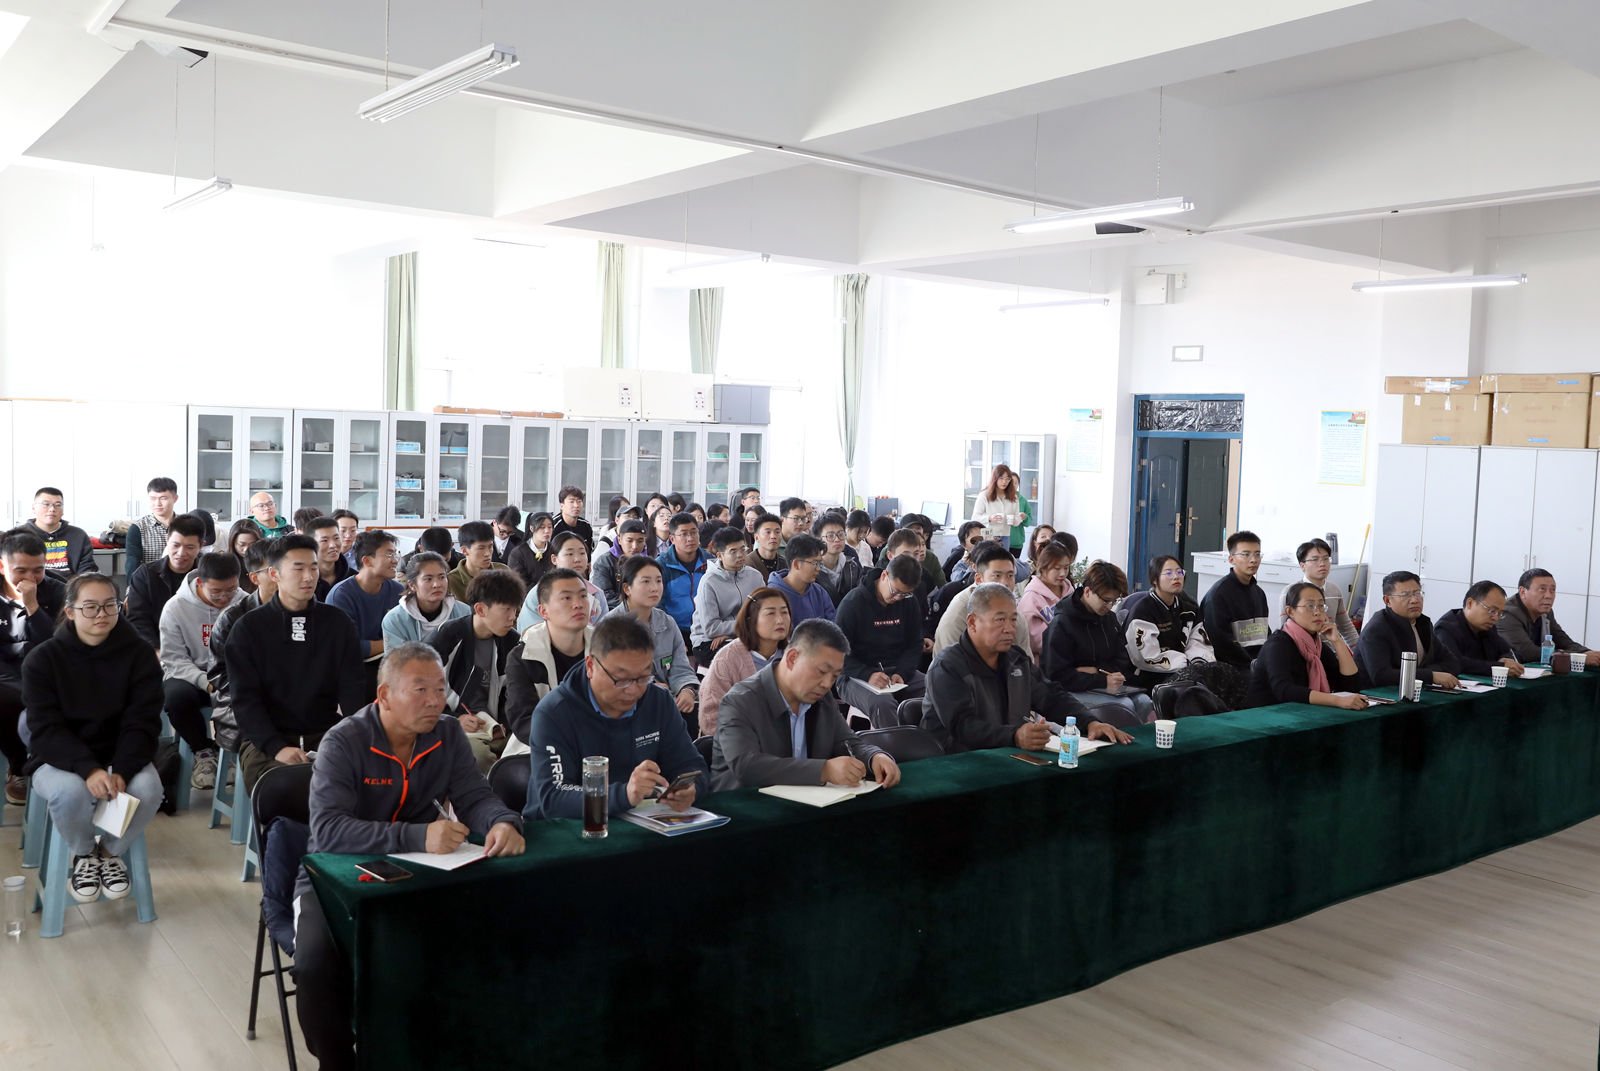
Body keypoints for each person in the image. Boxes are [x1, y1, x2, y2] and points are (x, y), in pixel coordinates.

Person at [294, 642, 524, 1071]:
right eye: (420, 690)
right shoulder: (343, 742)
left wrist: (502, 822)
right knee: (315, 966)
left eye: (440, 688)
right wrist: (418, 835)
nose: (435, 701)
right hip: (335, 879)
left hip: (418, 873)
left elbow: (475, 796)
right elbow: (328, 832)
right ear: (384, 695)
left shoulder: (448, 734)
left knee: (488, 933)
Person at [23, 573, 164, 906]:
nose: (101, 614)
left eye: (109, 605)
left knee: (147, 789)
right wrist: (89, 768)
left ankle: (110, 853)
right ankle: (84, 854)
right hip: (59, 758)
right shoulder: (43, 659)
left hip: (120, 754)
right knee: (70, 792)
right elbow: (46, 729)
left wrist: (123, 768)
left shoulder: (140, 654)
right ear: (70, 612)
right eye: (90, 607)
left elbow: (142, 721)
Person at [525, 614, 710, 820]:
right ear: (590, 666)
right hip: (565, 829)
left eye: (643, 678)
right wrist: (624, 795)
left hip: (642, 820)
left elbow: (692, 765)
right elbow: (554, 797)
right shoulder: (553, 713)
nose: (633, 690)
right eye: (621, 680)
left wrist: (691, 789)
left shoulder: (659, 702)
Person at [226, 534, 367, 794]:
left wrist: (358, 739)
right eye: (298, 568)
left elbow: (352, 689)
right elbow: (244, 700)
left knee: (361, 780)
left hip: (326, 733)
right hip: (266, 741)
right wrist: (277, 747)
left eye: (313, 568)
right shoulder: (248, 628)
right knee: (286, 788)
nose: (308, 577)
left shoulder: (337, 623)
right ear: (275, 574)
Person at [925, 582, 1132, 753]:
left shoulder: (1016, 659)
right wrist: (1014, 736)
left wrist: (1090, 723)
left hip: (1008, 754)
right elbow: (962, 726)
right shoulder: (948, 665)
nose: (1009, 629)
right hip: (956, 762)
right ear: (972, 622)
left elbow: (1051, 697)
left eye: (1014, 620)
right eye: (1000, 620)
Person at [711, 618, 900, 791]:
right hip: (743, 809)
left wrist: (874, 757)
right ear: (792, 658)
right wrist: (823, 771)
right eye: (821, 671)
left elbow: (846, 742)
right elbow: (747, 766)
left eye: (835, 676)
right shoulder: (739, 701)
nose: (827, 684)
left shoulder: (822, 699)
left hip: (803, 806)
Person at [158, 550, 245, 789]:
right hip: (189, 675)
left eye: (231, 590)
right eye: (216, 591)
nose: (224, 598)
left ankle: (235, 753)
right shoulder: (175, 607)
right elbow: (174, 659)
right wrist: (206, 682)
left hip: (230, 674)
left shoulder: (245, 603)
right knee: (177, 698)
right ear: (200, 582)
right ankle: (203, 751)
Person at [428, 570, 526, 773]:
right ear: (480, 609)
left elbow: (517, 694)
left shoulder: (513, 642)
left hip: (497, 727)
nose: (513, 617)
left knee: (530, 749)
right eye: (506, 609)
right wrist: (455, 719)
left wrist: (503, 724)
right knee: (478, 757)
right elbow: (424, 690)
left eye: (515, 609)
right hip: (452, 723)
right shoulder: (448, 636)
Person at [1039, 561, 1152, 726]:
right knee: (1124, 706)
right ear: (1087, 591)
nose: (1110, 606)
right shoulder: (1062, 624)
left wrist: (1096, 670)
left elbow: (1122, 660)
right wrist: (1102, 679)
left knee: (1144, 701)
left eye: (1114, 601)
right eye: (1106, 600)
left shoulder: (1109, 619)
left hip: (1100, 686)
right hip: (1068, 691)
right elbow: (1057, 676)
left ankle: (1128, 738)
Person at [1, 529, 67, 804]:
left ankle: (48, 765)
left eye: (38, 570)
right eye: (21, 571)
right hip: (6, 678)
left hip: (49, 672)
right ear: (2, 566)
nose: (31, 578)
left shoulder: (59, 590)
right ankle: (19, 768)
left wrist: (33, 607)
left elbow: (59, 645)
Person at [503, 569, 594, 757]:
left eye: (583, 596)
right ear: (543, 611)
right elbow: (523, 720)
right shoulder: (524, 657)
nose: (578, 604)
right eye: (566, 598)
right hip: (541, 747)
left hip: (599, 743)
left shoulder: (606, 649)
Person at [833, 554, 927, 727]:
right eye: (895, 591)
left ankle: (931, 740)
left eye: (905, 594)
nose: (898, 598)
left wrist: (903, 672)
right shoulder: (852, 604)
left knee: (936, 688)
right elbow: (837, 654)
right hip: (854, 675)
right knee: (882, 704)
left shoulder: (909, 602)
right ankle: (897, 744)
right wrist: (868, 675)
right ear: (884, 576)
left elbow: (915, 644)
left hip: (895, 672)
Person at [604, 556, 698, 723]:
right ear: (627, 588)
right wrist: (647, 688)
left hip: (668, 703)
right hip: (627, 708)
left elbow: (681, 668)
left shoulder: (667, 623)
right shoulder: (610, 627)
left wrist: (687, 690)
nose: (655, 588)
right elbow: (610, 678)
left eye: (659, 581)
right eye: (646, 582)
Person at [1248, 581, 1369, 709]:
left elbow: (1351, 687)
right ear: (1290, 611)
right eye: (1310, 606)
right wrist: (1337, 701)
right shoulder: (1278, 645)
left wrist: (1337, 641)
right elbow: (1283, 690)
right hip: (1264, 714)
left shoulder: (1316, 646)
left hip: (1299, 713)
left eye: (1321, 606)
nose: (1317, 612)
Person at [699, 587, 790, 737]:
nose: (780, 620)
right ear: (751, 619)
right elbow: (710, 719)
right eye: (771, 613)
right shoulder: (727, 659)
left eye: (784, 612)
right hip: (741, 743)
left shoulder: (794, 655)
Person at [328, 530, 404, 703]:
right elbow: (350, 649)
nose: (395, 560)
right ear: (367, 560)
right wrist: (393, 643)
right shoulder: (341, 595)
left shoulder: (398, 591)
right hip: (352, 671)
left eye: (395, 554)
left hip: (389, 665)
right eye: (389, 554)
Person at [1354, 571, 1462, 689]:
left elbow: (1453, 663)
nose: (1414, 600)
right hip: (1375, 695)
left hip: (1415, 691)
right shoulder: (1376, 630)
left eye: (1417, 593)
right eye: (1405, 595)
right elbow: (1381, 676)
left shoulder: (1423, 623)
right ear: (1388, 601)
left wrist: (1423, 673)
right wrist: (1430, 675)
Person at [1121, 555, 1215, 685]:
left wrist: (1197, 661)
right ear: (1154, 579)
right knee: (1194, 684)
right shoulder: (1143, 610)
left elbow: (1198, 642)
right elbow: (1146, 656)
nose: (1176, 577)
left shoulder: (1190, 609)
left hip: (1184, 670)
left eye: (1179, 572)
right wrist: (1187, 663)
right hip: (1148, 677)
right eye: (1169, 573)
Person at [931, 542, 1030, 657]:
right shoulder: (958, 616)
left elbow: (1026, 663)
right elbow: (950, 664)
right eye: (997, 576)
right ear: (979, 579)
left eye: (1010, 576)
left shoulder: (1017, 618)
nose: (1005, 583)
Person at [125, 513, 206, 651]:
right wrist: (156, 651)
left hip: (198, 650)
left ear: (201, 546)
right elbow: (138, 619)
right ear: (167, 539)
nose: (181, 553)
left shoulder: (207, 576)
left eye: (190, 547)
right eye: (176, 545)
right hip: (156, 648)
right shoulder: (145, 575)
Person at [691, 526, 767, 660]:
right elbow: (711, 629)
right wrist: (744, 627)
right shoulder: (709, 582)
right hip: (707, 641)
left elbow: (764, 612)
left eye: (743, 549)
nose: (740, 555)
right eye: (733, 551)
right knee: (742, 654)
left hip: (743, 635)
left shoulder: (755, 576)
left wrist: (734, 634)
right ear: (720, 555)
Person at [1498, 568, 1600, 666]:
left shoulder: (1545, 612)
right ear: (1523, 592)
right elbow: (1527, 652)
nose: (1549, 595)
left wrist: (1588, 653)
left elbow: (1563, 641)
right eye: (1542, 589)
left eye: (1552, 590)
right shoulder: (1506, 613)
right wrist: (1577, 657)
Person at [1201, 530, 1271, 667]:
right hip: (1233, 666)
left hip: (1259, 663)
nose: (1253, 560)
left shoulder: (1258, 593)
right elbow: (1222, 644)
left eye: (1257, 554)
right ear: (1232, 559)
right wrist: (1253, 665)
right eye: (1246, 554)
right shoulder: (1218, 595)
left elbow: (1265, 635)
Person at [516, 531, 606, 632]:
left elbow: (603, 634)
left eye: (582, 553)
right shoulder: (539, 593)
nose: (577, 559)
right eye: (569, 554)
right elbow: (529, 633)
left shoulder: (597, 594)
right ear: (554, 559)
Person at [1435, 581, 1525, 679]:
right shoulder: (1445, 628)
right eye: (1492, 611)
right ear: (1470, 603)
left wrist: (1506, 659)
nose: (1495, 618)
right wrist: (1498, 667)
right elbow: (1455, 662)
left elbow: (1512, 651)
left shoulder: (1488, 629)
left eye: (1500, 614)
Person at [1278, 539, 1358, 647]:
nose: (1322, 564)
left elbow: (1347, 629)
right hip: (1300, 652)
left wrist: (1360, 654)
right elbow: (1284, 631)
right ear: (1303, 566)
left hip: (1329, 653)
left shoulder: (1334, 590)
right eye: (1315, 559)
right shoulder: (1289, 593)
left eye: (1326, 559)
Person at [382, 551, 469, 648]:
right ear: (412, 585)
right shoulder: (395, 620)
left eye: (441, 577)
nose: (437, 584)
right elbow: (396, 657)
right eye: (428, 579)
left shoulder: (464, 613)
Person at [1017, 539, 1074, 661]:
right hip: (1045, 665)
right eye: (1057, 568)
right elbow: (1042, 643)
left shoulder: (1070, 591)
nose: (1063, 573)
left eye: (1066, 567)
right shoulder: (1031, 600)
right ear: (1042, 568)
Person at [656, 512, 709, 641]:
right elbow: (657, 606)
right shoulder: (661, 565)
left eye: (694, 532)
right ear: (672, 539)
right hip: (675, 630)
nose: (690, 538)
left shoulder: (710, 561)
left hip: (707, 629)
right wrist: (670, 636)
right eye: (684, 534)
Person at [24, 487, 98, 577]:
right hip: (32, 584)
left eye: (58, 505)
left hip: (70, 585)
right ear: (33, 508)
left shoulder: (78, 535)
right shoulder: (19, 536)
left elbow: (87, 569)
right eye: (46, 504)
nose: (52, 509)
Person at [771, 533, 837, 628]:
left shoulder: (819, 592)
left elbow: (832, 628)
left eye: (820, 563)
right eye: (814, 563)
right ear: (796, 564)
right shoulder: (773, 595)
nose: (818, 568)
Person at [970, 464, 1031, 559]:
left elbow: (1018, 517)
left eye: (1007, 479)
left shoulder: (1014, 496)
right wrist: (990, 518)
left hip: (1006, 537)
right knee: (989, 562)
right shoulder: (984, 495)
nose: (1004, 482)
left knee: (1003, 562)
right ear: (995, 478)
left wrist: (1015, 521)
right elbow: (975, 517)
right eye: (1001, 478)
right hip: (989, 536)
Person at [591, 518, 647, 611]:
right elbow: (604, 595)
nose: (635, 546)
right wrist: (634, 605)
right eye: (630, 541)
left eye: (640, 541)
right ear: (619, 540)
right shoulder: (604, 562)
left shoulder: (649, 564)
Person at [448, 520, 511, 601]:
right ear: (465, 550)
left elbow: (516, 606)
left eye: (490, 546)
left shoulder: (503, 571)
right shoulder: (451, 581)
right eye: (481, 548)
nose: (487, 553)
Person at [125, 477, 180, 570]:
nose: (157, 503)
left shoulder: (187, 525)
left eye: (163, 498)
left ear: (175, 498)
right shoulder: (138, 528)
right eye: (152, 499)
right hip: (149, 578)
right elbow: (133, 564)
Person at [811, 513, 861, 607]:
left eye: (840, 534)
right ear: (818, 539)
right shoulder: (811, 569)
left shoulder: (852, 566)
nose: (837, 539)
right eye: (830, 535)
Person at [305, 515, 353, 602]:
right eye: (325, 540)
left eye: (336, 538)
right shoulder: (304, 580)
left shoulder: (353, 578)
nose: (333, 545)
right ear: (311, 544)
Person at [507, 510, 555, 591]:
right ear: (531, 528)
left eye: (550, 527)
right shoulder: (518, 553)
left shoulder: (555, 549)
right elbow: (520, 582)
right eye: (542, 527)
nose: (547, 531)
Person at [900, 514, 947, 589]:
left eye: (918, 528)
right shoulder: (891, 550)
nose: (915, 531)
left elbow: (942, 585)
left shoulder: (931, 557)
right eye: (910, 528)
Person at [551, 484, 593, 551]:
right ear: (561, 506)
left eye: (579, 501)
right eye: (571, 502)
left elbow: (588, 552)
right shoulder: (552, 526)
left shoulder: (586, 525)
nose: (576, 505)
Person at [747, 512, 786, 582]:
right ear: (757, 538)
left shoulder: (785, 563)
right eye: (768, 532)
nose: (773, 536)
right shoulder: (747, 564)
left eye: (777, 532)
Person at [224, 519, 260, 593]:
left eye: (252, 545)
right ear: (233, 542)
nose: (246, 549)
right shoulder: (224, 563)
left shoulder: (265, 562)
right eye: (242, 545)